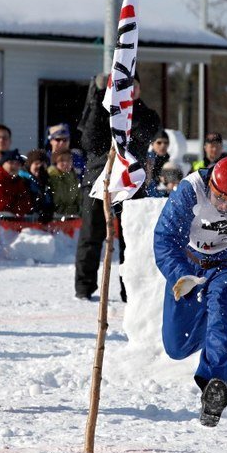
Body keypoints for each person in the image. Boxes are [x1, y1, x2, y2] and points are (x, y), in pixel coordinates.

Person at [154, 156, 227, 427]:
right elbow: (165, 239)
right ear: (211, 186)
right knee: (176, 346)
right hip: (192, 267)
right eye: (220, 199)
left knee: (221, 311)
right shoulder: (190, 191)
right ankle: (208, 329)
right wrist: (180, 275)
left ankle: (213, 386)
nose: (226, 207)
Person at [75, 73, 160, 301]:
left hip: (130, 182)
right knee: (91, 235)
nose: (128, 89)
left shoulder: (147, 114)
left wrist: (129, 108)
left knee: (131, 237)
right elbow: (89, 141)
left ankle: (129, 289)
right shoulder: (102, 109)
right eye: (123, 85)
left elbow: (144, 134)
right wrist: (98, 98)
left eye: (133, 85)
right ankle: (84, 288)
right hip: (98, 178)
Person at [0, 149, 34, 217]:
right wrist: (18, 209)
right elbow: (1, 205)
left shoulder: (18, 180)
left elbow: (27, 204)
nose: (14, 166)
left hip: (13, 223)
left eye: (18, 164)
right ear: (3, 163)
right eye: (11, 162)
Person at [20, 149, 54, 222]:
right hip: (27, 221)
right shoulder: (24, 180)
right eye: (36, 163)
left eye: (42, 164)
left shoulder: (46, 181)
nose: (39, 167)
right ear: (30, 165)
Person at [47, 150, 80, 218]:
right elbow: (55, 202)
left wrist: (78, 210)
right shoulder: (51, 177)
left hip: (73, 217)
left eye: (69, 160)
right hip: (54, 218)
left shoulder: (74, 177)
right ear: (55, 162)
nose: (66, 163)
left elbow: (79, 200)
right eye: (62, 160)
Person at [146, 129, 170, 197]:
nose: (163, 146)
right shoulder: (147, 161)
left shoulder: (170, 162)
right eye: (159, 142)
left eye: (166, 143)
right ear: (152, 144)